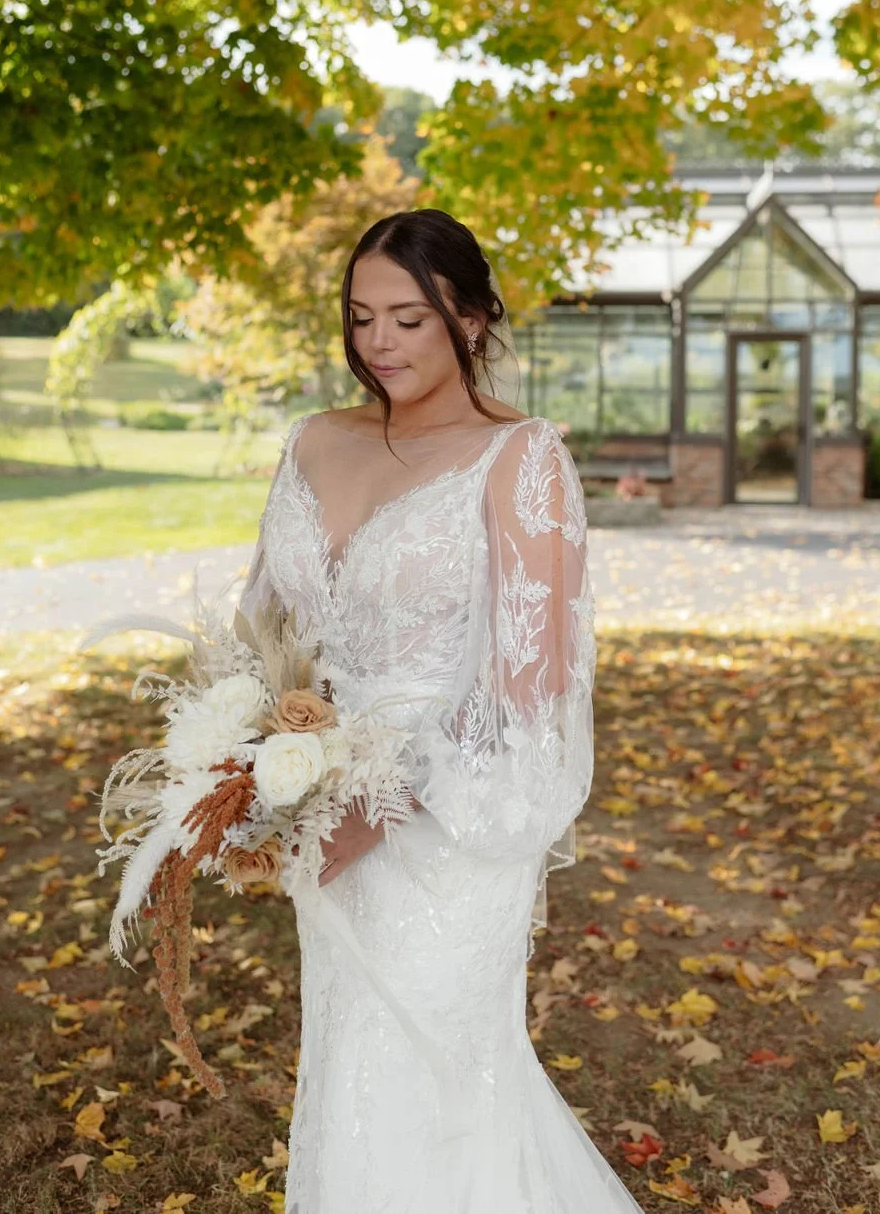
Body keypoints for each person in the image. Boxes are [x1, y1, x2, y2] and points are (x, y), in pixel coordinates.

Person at [235, 208, 648, 1213]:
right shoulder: (315, 439)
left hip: (449, 823)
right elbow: (263, 627)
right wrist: (252, 772)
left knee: (442, 1078)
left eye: (409, 320)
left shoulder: (520, 458)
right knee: (350, 1069)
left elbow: (531, 685)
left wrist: (377, 811)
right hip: (317, 804)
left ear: (468, 318)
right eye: (361, 316)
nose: (379, 343)